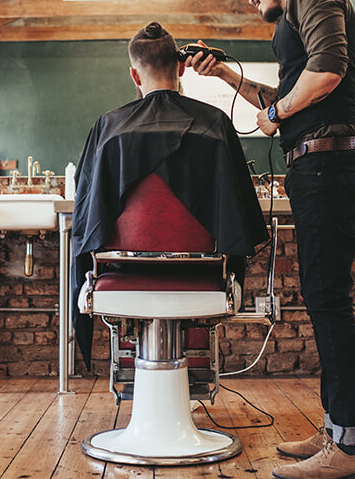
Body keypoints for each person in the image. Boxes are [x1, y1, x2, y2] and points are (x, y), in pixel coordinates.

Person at [186, 0, 355, 479]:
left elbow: (328, 74)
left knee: (328, 300)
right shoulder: (298, 13)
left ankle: (352, 449)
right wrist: (226, 77)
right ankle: (337, 428)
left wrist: (278, 111)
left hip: (330, 165)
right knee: (323, 298)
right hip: (320, 164)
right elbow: (287, 96)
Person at [71, 21, 268, 370]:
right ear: (181, 67)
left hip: (123, 271)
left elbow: (88, 214)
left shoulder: (107, 127)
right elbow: (239, 215)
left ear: (134, 75)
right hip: (202, 272)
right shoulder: (215, 123)